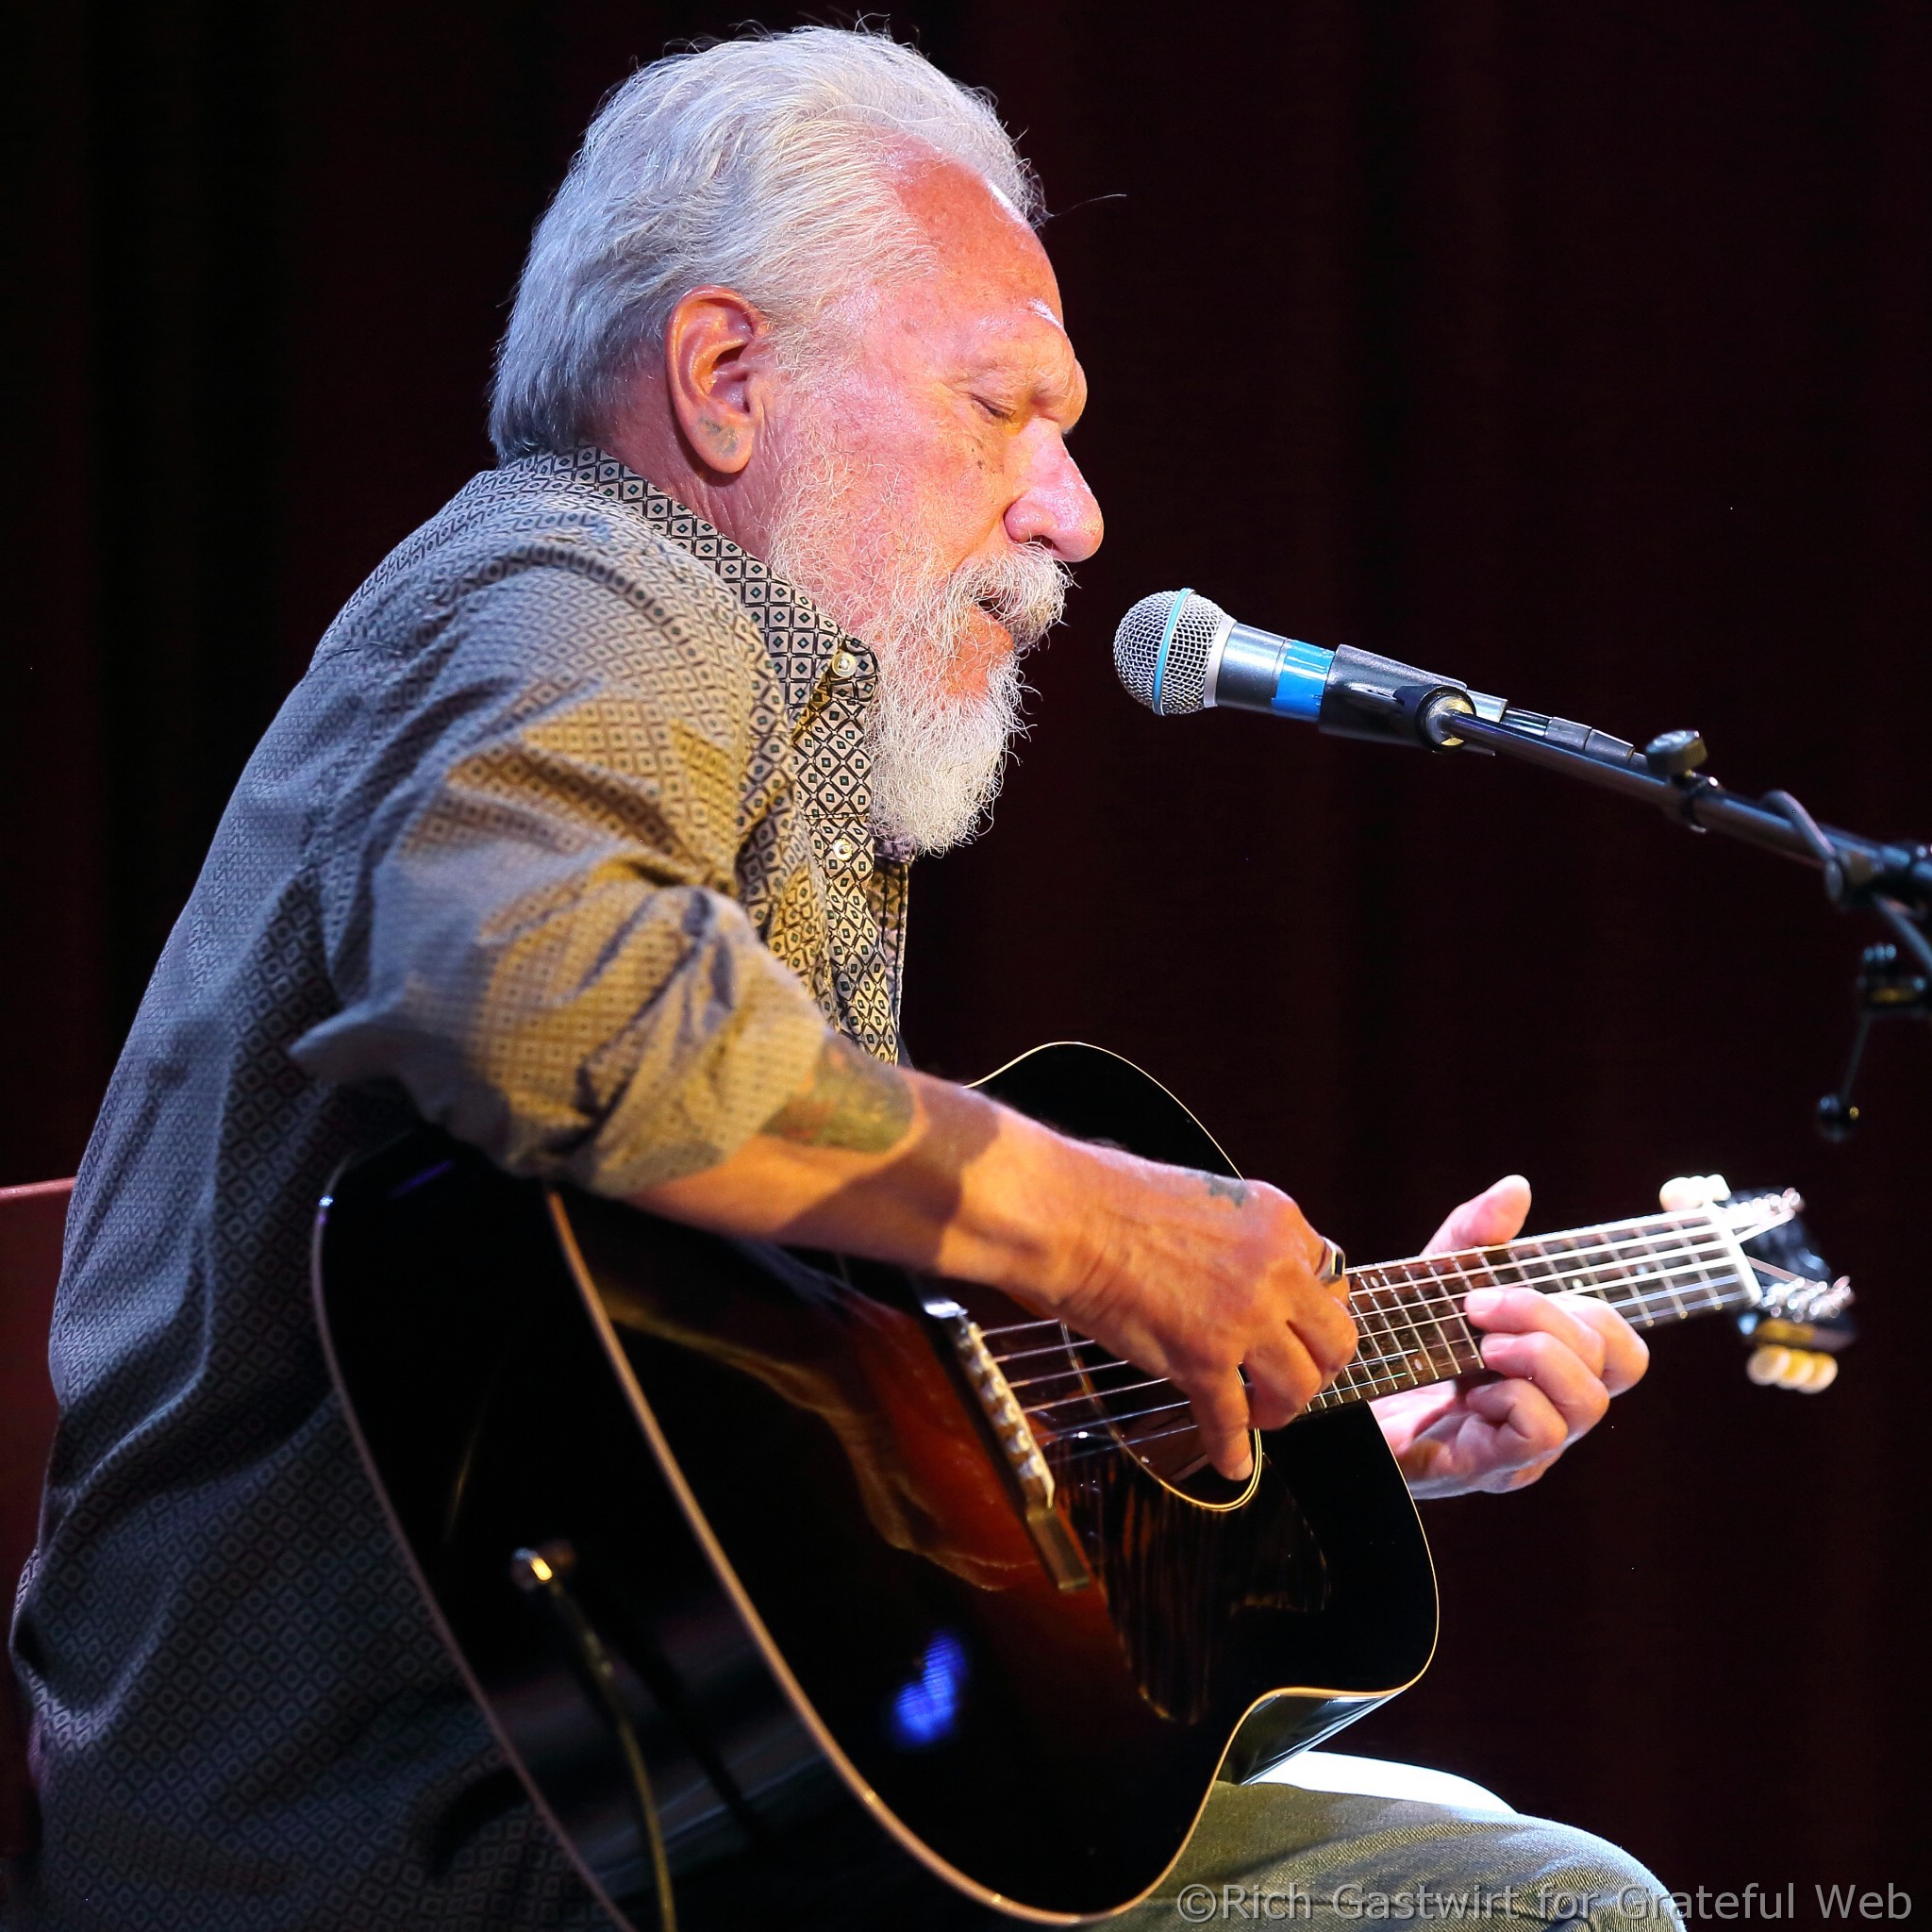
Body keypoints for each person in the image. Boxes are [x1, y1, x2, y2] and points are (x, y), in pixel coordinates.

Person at [8, 26, 1680, 1932]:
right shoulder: (589, 583)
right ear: (725, 379)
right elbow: (539, 994)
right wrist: (1104, 1227)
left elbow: (763, 1507)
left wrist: (1306, 1447)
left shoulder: (762, 714)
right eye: (1001, 408)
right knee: (1546, 1905)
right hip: (406, 1851)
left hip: (613, 1791)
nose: (1074, 512)